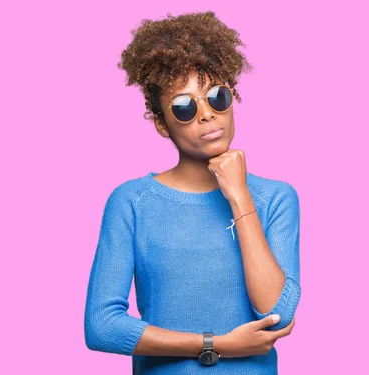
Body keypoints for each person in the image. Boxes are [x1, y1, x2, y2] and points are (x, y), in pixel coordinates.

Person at [83, 11, 300, 374]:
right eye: (184, 107)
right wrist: (214, 345)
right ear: (162, 125)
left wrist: (239, 196)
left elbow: (277, 314)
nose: (206, 115)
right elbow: (101, 326)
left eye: (216, 97)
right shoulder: (132, 202)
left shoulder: (276, 198)